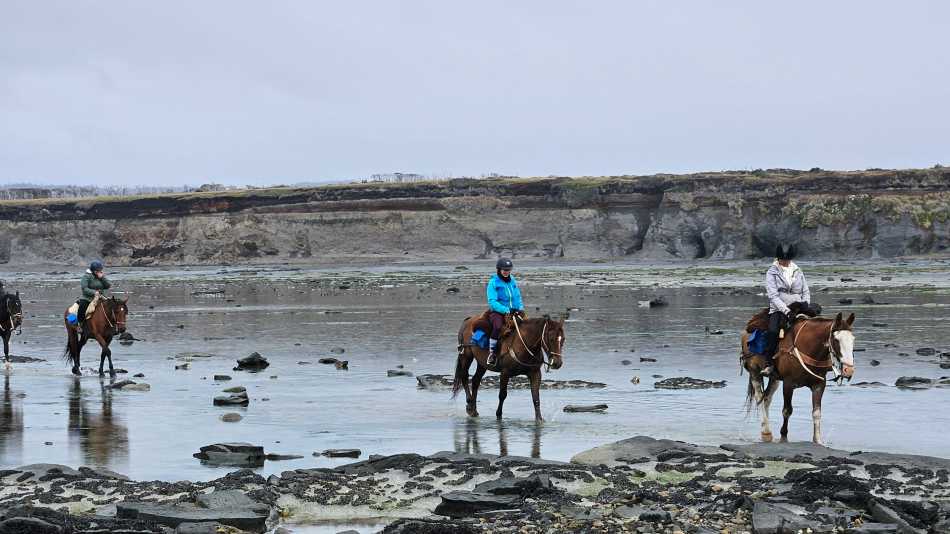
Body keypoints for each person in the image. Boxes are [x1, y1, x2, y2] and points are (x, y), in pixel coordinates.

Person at [761, 244, 811, 376]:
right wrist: (786, 311)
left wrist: (806, 304)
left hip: (799, 306)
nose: (785, 262)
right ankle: (768, 363)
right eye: (783, 260)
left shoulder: (798, 271)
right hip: (779, 309)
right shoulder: (771, 272)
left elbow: (805, 291)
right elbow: (773, 296)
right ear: (778, 259)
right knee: (772, 332)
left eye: (787, 260)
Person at [486, 257, 524, 366]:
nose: (506, 272)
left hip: (515, 310)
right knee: (498, 327)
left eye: (508, 270)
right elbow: (492, 301)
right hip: (498, 312)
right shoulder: (493, 282)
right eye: (504, 270)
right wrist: (506, 310)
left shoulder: (512, 280)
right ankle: (492, 353)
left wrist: (520, 308)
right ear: (499, 270)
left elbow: (518, 296)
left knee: (528, 326)